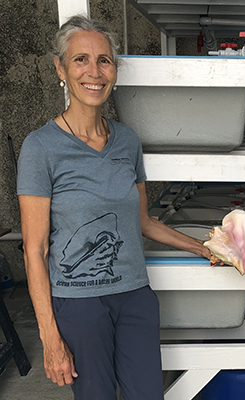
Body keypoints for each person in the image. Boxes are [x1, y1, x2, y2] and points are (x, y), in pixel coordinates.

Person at [17, 15, 211, 400]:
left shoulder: (126, 141)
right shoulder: (40, 147)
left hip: (135, 296)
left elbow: (142, 221)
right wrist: (50, 337)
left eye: (104, 60)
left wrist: (203, 248)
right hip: (79, 305)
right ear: (61, 68)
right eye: (80, 60)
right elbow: (35, 250)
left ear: (115, 71)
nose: (94, 71)